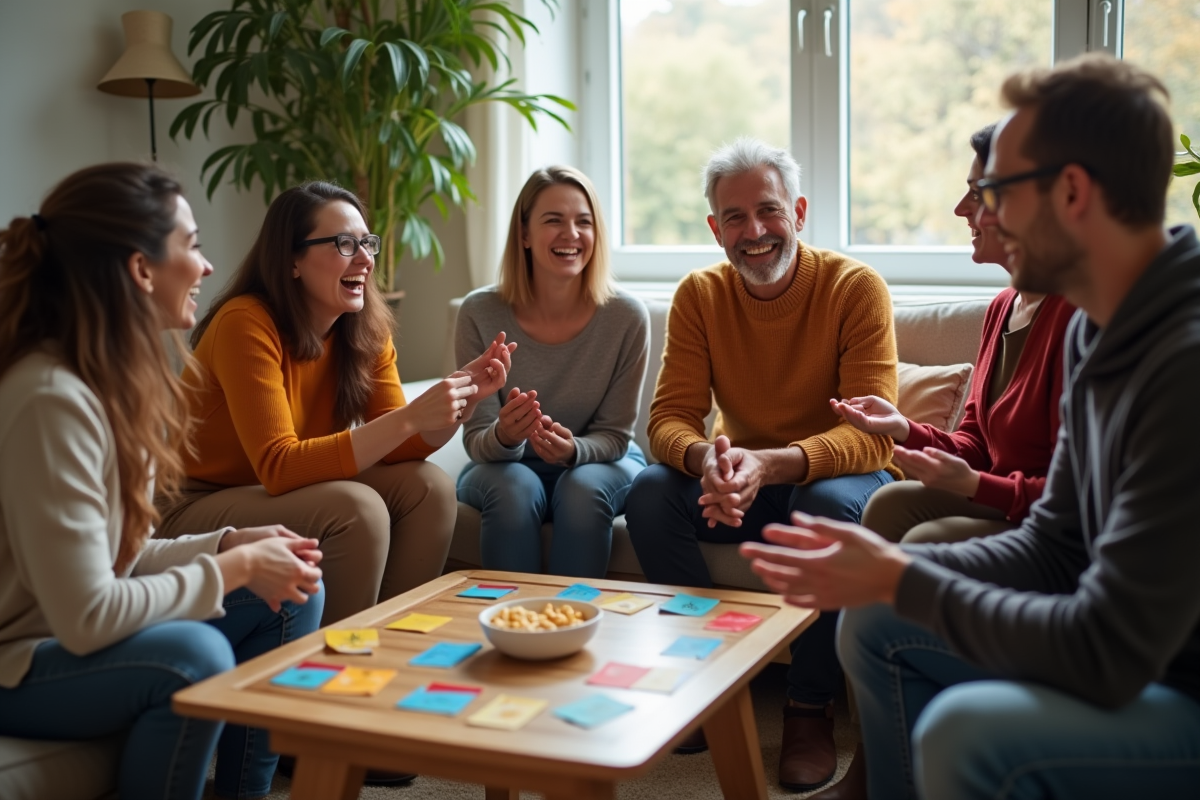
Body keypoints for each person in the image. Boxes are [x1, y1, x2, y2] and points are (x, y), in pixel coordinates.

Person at [742, 54, 1200, 800]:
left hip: (1171, 686)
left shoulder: (1182, 359)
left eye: (995, 191)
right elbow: (1055, 543)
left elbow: (1108, 649)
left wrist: (903, 575)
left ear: (1073, 193)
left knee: (967, 731)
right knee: (874, 621)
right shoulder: (1101, 328)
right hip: (1125, 652)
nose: (980, 213)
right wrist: (891, 580)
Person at [0, 163, 324, 800]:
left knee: (292, 589)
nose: (206, 267)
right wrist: (231, 571)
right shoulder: (49, 399)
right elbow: (88, 615)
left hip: (66, 638)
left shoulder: (115, 383)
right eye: (192, 244)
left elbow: (118, 557)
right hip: (20, 660)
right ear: (141, 269)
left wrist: (227, 545)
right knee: (193, 655)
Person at [624, 137, 900, 791]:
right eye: (736, 218)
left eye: (768, 211)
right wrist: (708, 461)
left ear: (798, 211)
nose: (755, 233)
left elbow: (873, 438)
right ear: (715, 228)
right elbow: (667, 420)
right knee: (650, 493)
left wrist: (769, 465)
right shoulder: (700, 294)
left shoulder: (855, 287)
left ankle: (809, 707)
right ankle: (703, 677)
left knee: (824, 507)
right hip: (743, 476)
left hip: (834, 480)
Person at [156, 181, 514, 628]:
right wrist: (410, 417)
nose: (365, 258)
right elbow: (279, 466)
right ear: (292, 261)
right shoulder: (245, 323)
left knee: (430, 488)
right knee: (356, 506)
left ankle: (391, 638)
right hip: (195, 504)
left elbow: (400, 444)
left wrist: (457, 400)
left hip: (280, 491)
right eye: (345, 244)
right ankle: (339, 656)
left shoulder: (365, 328)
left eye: (367, 242)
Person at [830, 125, 1076, 545]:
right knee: (888, 503)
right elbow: (975, 445)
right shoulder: (1002, 308)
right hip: (998, 498)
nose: (963, 210)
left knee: (921, 539)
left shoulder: (1074, 316)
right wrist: (902, 427)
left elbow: (1071, 493)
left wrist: (976, 486)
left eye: (978, 194)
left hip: (1046, 521)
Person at [455, 166, 650, 577]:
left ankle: (572, 622)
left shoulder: (626, 317)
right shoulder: (479, 312)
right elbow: (476, 439)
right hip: (505, 467)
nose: (572, 234)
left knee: (583, 490)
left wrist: (573, 452)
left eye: (584, 222)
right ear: (523, 234)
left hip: (601, 459)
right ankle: (513, 626)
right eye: (553, 221)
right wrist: (507, 436)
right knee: (513, 490)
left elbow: (616, 435)